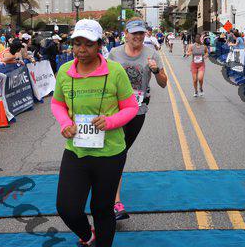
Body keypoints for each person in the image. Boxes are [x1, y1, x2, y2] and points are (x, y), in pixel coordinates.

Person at [51, 19, 139, 247]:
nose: (81, 49)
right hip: (76, 151)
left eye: (88, 44)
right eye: (77, 43)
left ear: (100, 45)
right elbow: (57, 103)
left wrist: (109, 122)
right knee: (67, 208)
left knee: (102, 208)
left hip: (110, 153)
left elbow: (131, 107)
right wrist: (65, 123)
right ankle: (89, 235)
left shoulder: (115, 71)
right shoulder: (64, 71)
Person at [108, 18, 167, 221]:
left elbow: (163, 83)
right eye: (134, 33)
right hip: (115, 110)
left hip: (137, 111)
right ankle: (115, 203)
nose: (138, 36)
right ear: (126, 34)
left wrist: (156, 71)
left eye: (141, 33)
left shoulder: (152, 54)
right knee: (118, 153)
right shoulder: (114, 54)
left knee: (121, 151)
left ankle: (108, 189)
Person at [188, 32, 209, 97]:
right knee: (195, 80)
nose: (197, 38)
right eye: (196, 37)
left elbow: (207, 53)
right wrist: (189, 53)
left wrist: (205, 56)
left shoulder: (204, 46)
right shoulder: (191, 46)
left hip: (201, 65)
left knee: (200, 78)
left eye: (199, 37)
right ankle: (196, 91)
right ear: (195, 38)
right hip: (194, 65)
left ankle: (201, 88)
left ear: (200, 38)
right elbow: (188, 52)